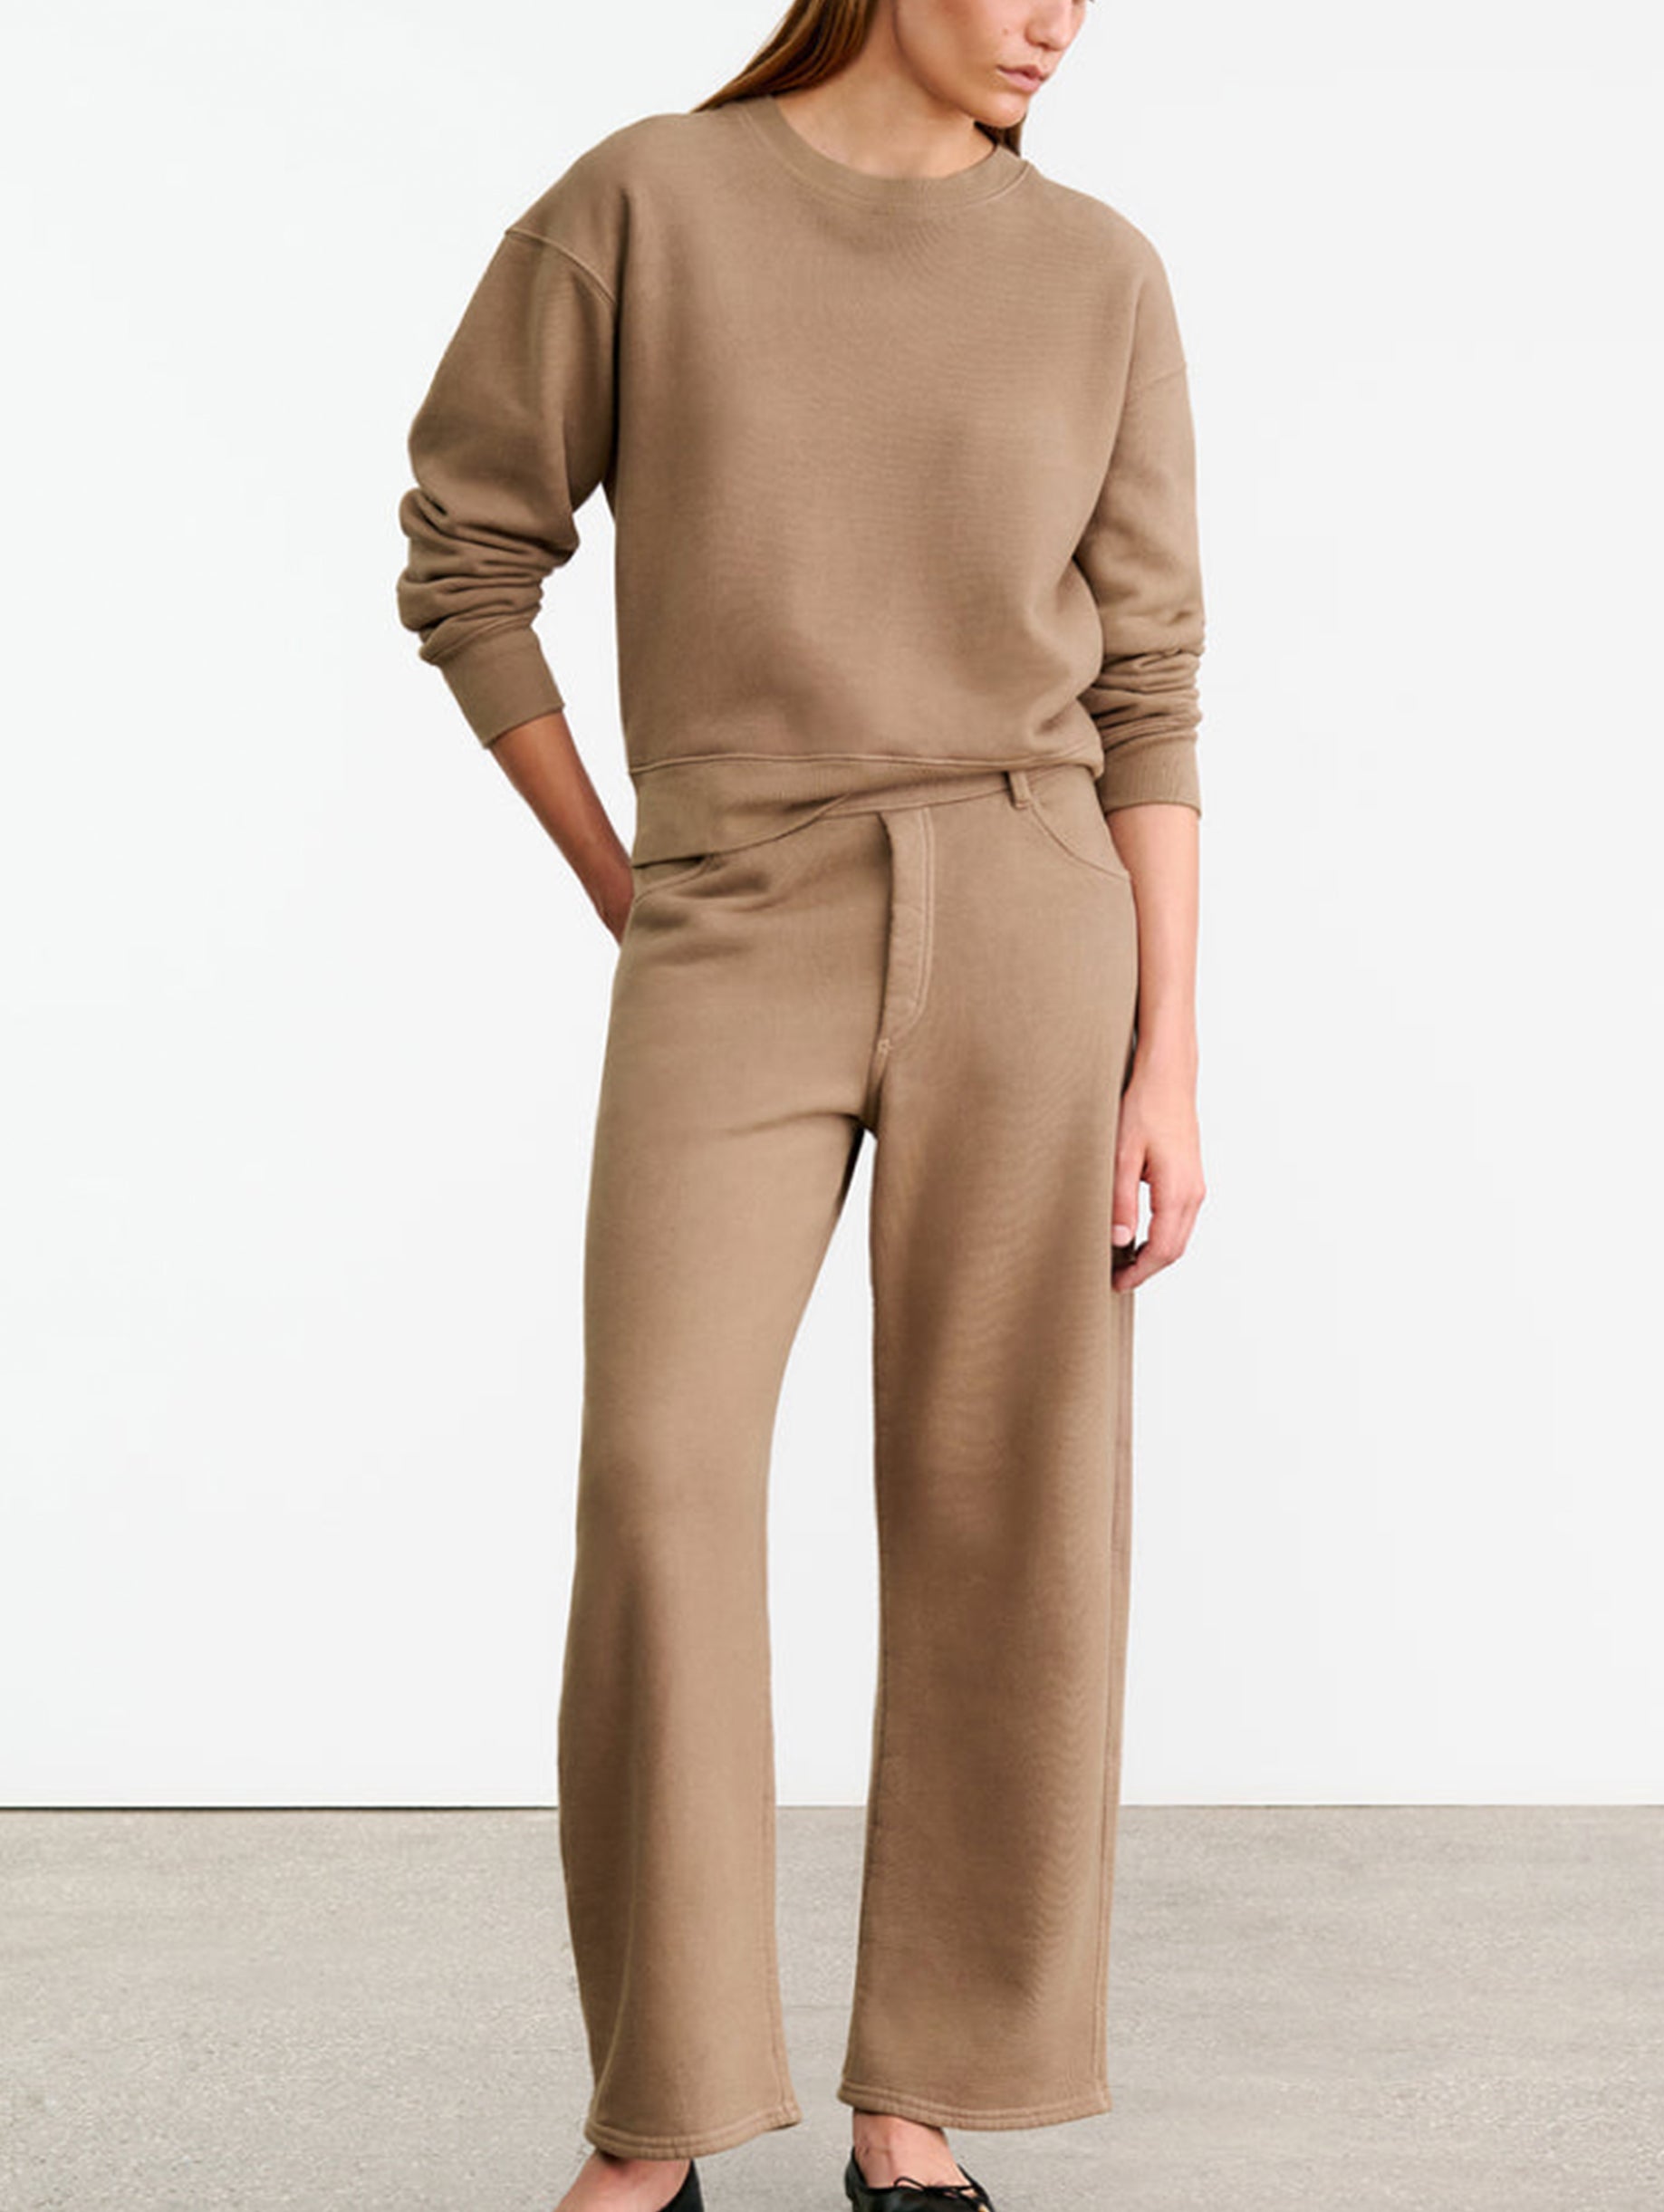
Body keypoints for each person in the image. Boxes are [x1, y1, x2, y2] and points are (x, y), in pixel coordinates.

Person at [395, 4, 1207, 2207]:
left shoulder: (1097, 271)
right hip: (733, 910)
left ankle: (913, 2096)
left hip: (1033, 913)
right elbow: (466, 546)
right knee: (659, 1480)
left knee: (1002, 1508)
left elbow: (1147, 684)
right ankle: (656, 2115)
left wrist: (1165, 1058)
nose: (1057, 16)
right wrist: (624, 877)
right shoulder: (644, 207)